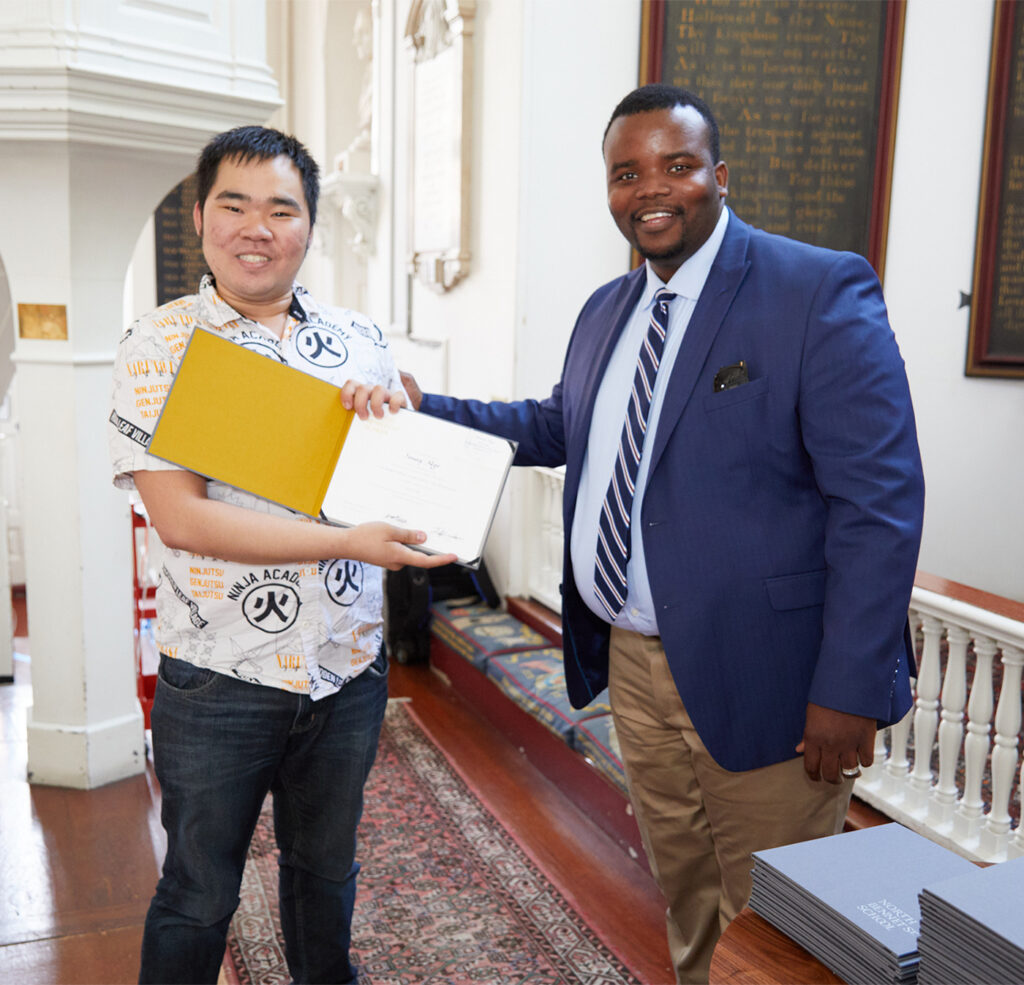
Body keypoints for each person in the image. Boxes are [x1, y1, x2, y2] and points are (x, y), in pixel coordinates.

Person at [350, 84, 925, 983]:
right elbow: (552, 426)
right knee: (688, 889)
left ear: (720, 177)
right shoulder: (606, 310)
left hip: (769, 674)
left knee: (779, 925)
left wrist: (849, 686)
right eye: (627, 172)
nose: (651, 188)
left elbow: (880, 503)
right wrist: (426, 407)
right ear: (610, 189)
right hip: (636, 664)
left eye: (677, 165)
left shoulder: (815, 290)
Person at [109, 125, 454, 985]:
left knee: (326, 872)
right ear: (200, 218)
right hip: (221, 674)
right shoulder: (159, 345)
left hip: (346, 668)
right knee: (197, 892)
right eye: (235, 204)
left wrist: (395, 411)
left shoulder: (358, 337)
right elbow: (183, 520)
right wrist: (346, 540)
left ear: (310, 227)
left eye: (282, 208)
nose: (257, 227)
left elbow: (399, 471)